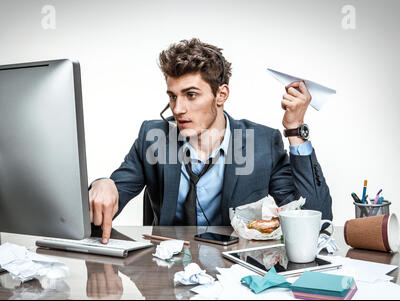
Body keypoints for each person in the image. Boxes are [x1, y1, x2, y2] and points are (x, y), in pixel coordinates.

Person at [89, 38, 332, 244]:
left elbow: (316, 220)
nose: (178, 109)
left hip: (233, 276)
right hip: (165, 274)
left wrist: (295, 130)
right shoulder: (154, 139)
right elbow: (104, 204)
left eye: (191, 95)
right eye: (172, 97)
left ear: (221, 94)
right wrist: (102, 184)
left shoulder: (262, 144)